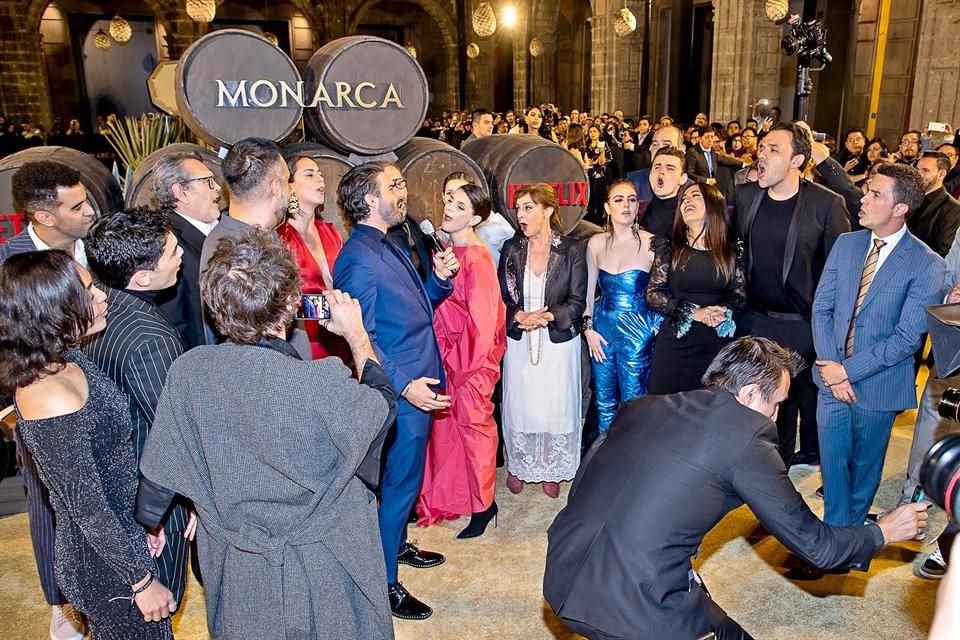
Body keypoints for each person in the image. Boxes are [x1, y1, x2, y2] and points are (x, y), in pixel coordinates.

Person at [543, 336, 930, 640]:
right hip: (637, 605)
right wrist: (883, 532)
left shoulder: (642, 406)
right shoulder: (748, 438)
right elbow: (817, 547)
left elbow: (584, 485)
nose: (778, 416)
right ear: (747, 396)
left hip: (560, 578)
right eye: (777, 403)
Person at [137, 228, 397, 640]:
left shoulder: (189, 370)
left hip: (237, 562)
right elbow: (380, 410)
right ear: (292, 303)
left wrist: (151, 523)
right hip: (320, 561)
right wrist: (356, 336)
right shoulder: (317, 382)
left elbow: (161, 471)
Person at [0, 251, 177, 639]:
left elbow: (110, 464)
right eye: (87, 290)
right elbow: (89, 510)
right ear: (53, 309)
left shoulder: (67, 358)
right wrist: (141, 582)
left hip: (120, 540)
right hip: (103, 567)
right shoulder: (47, 397)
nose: (101, 297)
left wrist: (142, 520)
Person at [333, 161, 458, 620]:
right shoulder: (356, 258)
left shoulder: (390, 240)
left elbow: (416, 307)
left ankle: (398, 544)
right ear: (369, 199)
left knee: (406, 483)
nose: (404, 190)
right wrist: (404, 386)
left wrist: (440, 281)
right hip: (400, 391)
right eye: (395, 185)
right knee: (398, 483)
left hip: (419, 376)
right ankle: (384, 585)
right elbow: (361, 337)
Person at [811, 162, 944, 532]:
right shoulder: (846, 244)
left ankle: (851, 542)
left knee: (864, 473)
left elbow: (906, 339)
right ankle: (837, 542)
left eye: (875, 194)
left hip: (878, 384)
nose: (863, 199)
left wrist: (847, 372)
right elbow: (822, 308)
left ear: (900, 208)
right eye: (866, 190)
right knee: (834, 469)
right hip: (830, 377)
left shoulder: (926, 264)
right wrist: (832, 369)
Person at [0, 160, 95, 639]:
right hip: (38, 403)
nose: (90, 211)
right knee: (46, 500)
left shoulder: (95, 250)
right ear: (42, 215)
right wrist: (10, 413)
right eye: (76, 206)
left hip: (99, 391)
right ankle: (60, 603)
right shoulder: (7, 264)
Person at [81, 207, 192, 608]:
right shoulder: (151, 337)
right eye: (172, 251)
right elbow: (171, 429)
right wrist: (191, 499)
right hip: (149, 499)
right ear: (142, 278)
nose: (180, 255)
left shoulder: (96, 308)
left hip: (111, 484)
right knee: (159, 605)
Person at [734, 122, 850, 470]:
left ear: (798, 160)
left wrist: (832, 331)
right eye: (762, 146)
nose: (761, 154)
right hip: (754, 318)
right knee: (758, 402)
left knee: (791, 401)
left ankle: (782, 471)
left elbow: (840, 272)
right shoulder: (746, 196)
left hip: (801, 323)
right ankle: (763, 466)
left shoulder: (826, 205)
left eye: (773, 149)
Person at [416, 183, 506, 537]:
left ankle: (484, 506)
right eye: (449, 200)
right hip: (449, 354)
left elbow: (484, 325)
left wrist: (459, 364)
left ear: (476, 217)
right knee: (449, 430)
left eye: (460, 205)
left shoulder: (478, 258)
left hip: (470, 361)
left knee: (474, 429)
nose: (449, 207)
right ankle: (457, 498)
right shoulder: (450, 250)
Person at [498, 183, 586, 498]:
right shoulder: (512, 248)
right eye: (519, 208)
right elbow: (502, 297)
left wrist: (548, 316)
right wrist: (519, 316)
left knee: (555, 403)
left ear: (548, 210)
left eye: (528, 208)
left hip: (558, 340)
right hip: (521, 340)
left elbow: (577, 302)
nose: (520, 215)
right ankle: (520, 464)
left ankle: (551, 465)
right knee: (521, 401)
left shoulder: (572, 249)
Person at [647, 182, 745, 394]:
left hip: (716, 345)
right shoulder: (670, 248)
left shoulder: (730, 253)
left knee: (710, 413)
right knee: (667, 410)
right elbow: (654, 295)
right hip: (676, 343)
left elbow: (739, 298)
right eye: (684, 199)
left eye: (695, 196)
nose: (686, 201)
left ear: (713, 205)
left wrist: (723, 312)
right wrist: (694, 313)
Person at [583, 180, 662, 433]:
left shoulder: (652, 243)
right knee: (604, 402)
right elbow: (587, 295)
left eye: (631, 199)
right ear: (607, 207)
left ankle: (634, 462)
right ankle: (605, 461)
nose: (626, 205)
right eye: (619, 200)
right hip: (602, 333)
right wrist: (588, 330)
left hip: (638, 332)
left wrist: (653, 329)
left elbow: (664, 292)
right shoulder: (595, 243)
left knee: (634, 403)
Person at [277, 152, 350, 360]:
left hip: (341, 339)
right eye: (309, 175)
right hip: (307, 343)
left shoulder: (330, 232)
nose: (321, 179)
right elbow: (282, 303)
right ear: (288, 186)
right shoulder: (281, 237)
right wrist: (331, 309)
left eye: (320, 174)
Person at [151, 151, 222, 350]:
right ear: (181, 192)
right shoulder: (169, 244)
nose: (217, 187)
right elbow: (175, 324)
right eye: (208, 181)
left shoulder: (224, 227)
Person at [909, 151, 960, 258]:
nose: (918, 175)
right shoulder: (908, 196)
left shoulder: (953, 209)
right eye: (917, 170)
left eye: (925, 171)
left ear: (941, 174)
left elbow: (943, 251)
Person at [585, 125, 608, 224]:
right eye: (590, 131)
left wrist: (601, 151)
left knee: (598, 200)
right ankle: (590, 221)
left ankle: (599, 222)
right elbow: (587, 162)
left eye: (595, 131)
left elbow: (602, 162)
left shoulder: (603, 144)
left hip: (599, 175)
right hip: (587, 175)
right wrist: (594, 162)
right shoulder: (586, 145)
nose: (592, 134)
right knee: (589, 200)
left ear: (599, 133)